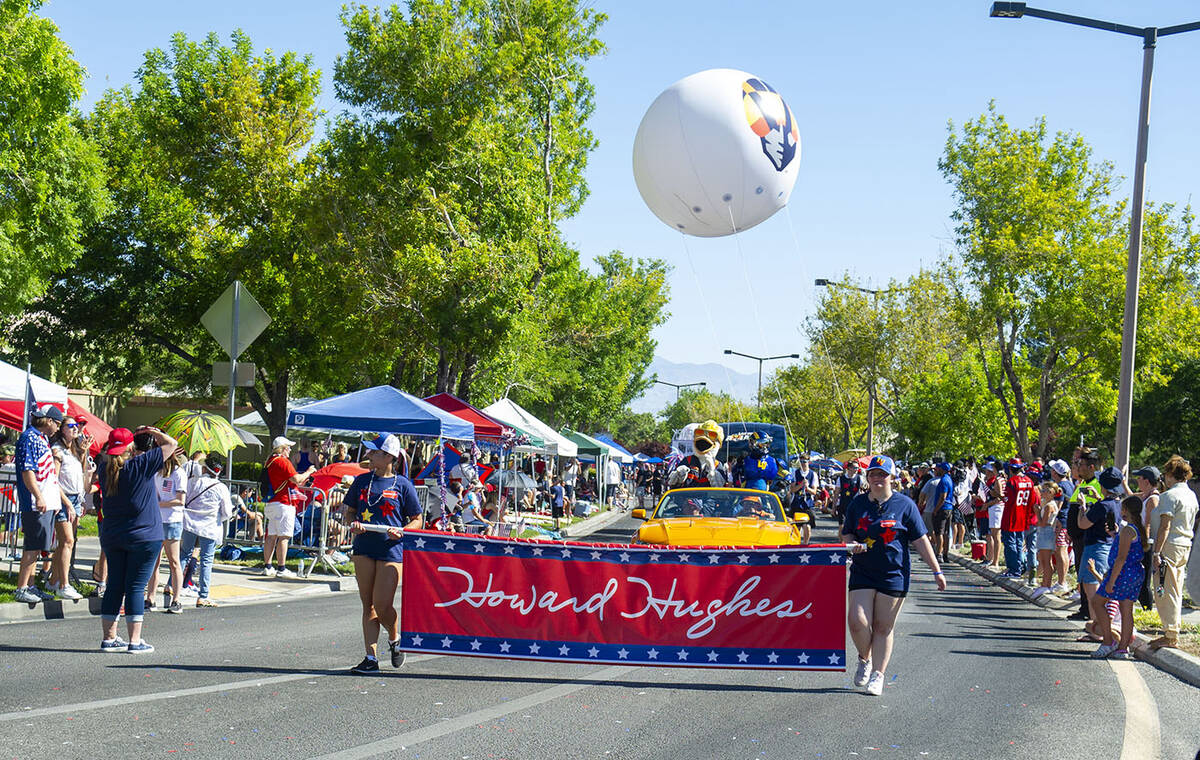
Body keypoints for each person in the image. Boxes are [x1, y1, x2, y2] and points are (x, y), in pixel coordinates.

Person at [842, 455, 946, 696]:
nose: (878, 478)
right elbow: (847, 533)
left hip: (894, 573)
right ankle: (864, 658)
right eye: (873, 474)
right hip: (863, 570)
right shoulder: (857, 504)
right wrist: (851, 545)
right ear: (867, 477)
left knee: (882, 626)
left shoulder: (905, 505)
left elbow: (920, 539)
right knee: (857, 622)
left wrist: (936, 570)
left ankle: (878, 674)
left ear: (892, 477)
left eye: (882, 474)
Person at [343, 434, 423, 674]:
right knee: (368, 605)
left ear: (388, 456)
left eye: (374, 452)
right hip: (364, 548)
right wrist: (353, 524)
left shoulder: (403, 485)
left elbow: (417, 519)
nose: (368, 455)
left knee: (382, 603)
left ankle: (395, 637)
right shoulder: (361, 481)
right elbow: (350, 512)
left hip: (391, 550)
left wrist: (402, 531)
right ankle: (370, 658)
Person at [99, 426, 178, 653]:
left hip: (113, 535)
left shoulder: (105, 470)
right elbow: (171, 445)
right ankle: (135, 641)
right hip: (144, 536)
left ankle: (110, 638)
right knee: (135, 587)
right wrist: (153, 432)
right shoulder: (139, 465)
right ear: (131, 448)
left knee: (114, 585)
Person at [12, 405, 64, 604]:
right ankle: (22, 587)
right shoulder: (29, 438)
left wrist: (53, 499)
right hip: (35, 503)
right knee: (32, 546)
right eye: (57, 423)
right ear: (49, 421)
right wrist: (39, 496)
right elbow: (28, 471)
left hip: (45, 501)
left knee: (38, 546)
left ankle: (31, 585)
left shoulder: (41, 438)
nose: (58, 428)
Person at [1147, 455, 1198, 651]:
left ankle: (1170, 634)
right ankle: (1171, 631)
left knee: (1164, 590)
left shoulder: (1169, 496)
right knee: (1174, 588)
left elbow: (1165, 526)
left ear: (1169, 474)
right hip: (1185, 545)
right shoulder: (1191, 495)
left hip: (1169, 546)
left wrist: (1156, 552)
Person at [1091, 495, 1147, 659]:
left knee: (1097, 602)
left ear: (1125, 510)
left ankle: (1108, 641)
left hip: (1123, 574)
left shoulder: (1127, 530)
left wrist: (1111, 581)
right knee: (1126, 609)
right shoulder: (1135, 529)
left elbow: (1121, 558)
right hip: (1134, 574)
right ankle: (1123, 648)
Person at [180, 454, 233, 608]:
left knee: (184, 555)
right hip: (210, 526)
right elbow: (227, 512)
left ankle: (172, 585)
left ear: (204, 468)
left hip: (189, 522)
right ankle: (203, 595)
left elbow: (185, 499)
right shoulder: (221, 487)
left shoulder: (193, 482)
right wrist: (217, 518)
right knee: (206, 560)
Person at [1077, 465, 1123, 641]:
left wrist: (1082, 506)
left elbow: (1083, 524)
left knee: (1092, 591)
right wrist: (1097, 498)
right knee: (1095, 587)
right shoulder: (1117, 503)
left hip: (1096, 548)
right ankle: (1097, 628)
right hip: (1108, 546)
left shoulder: (1102, 506)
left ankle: (1098, 630)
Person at [49, 414, 91, 598]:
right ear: (62, 430)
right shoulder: (57, 450)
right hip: (63, 499)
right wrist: (67, 504)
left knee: (64, 544)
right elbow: (54, 480)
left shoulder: (73, 449)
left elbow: (80, 473)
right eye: (71, 426)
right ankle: (64, 585)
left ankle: (54, 581)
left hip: (75, 498)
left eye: (77, 426)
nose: (76, 428)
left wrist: (83, 452)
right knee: (67, 541)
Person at [263, 436, 315, 578]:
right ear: (283, 448)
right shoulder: (282, 461)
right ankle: (281, 568)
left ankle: (268, 566)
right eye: (289, 447)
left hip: (272, 502)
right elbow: (296, 479)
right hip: (284, 503)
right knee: (284, 537)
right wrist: (309, 471)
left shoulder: (270, 461)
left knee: (271, 536)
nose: (291, 449)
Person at [148, 448, 187, 613]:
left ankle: (176, 599)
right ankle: (150, 598)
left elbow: (180, 500)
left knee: (174, 561)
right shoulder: (156, 472)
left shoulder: (178, 473)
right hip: (156, 520)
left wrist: (158, 504)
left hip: (172, 520)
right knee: (153, 562)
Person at [1000, 458, 1039, 580]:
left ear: (1011, 469)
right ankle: (1019, 566)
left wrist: (998, 495)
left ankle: (1014, 569)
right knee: (1018, 542)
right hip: (1023, 516)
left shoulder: (1012, 482)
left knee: (1010, 543)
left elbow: (1007, 499)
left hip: (1011, 516)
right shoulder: (1029, 481)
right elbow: (1032, 501)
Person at [1047, 459, 1075, 593]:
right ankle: (1061, 580)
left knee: (1060, 551)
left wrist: (1052, 521)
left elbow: (1058, 507)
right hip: (1067, 521)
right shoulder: (1070, 484)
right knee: (1062, 551)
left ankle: (1062, 581)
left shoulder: (1060, 488)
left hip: (1061, 522)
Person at [1032, 481, 1062, 596]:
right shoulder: (1047, 503)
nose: (1042, 493)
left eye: (1044, 491)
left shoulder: (1050, 506)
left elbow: (1043, 523)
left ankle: (1046, 584)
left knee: (1046, 560)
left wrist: (1038, 512)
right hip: (1045, 533)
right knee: (1043, 559)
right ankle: (1044, 583)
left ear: (1050, 492)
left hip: (1046, 533)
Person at [928, 461, 954, 561]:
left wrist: (936, 509)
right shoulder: (949, 479)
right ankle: (945, 554)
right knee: (946, 532)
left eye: (938, 468)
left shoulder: (944, 480)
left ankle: (939, 554)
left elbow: (943, 497)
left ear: (942, 469)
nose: (936, 470)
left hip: (942, 509)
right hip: (949, 508)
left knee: (939, 533)